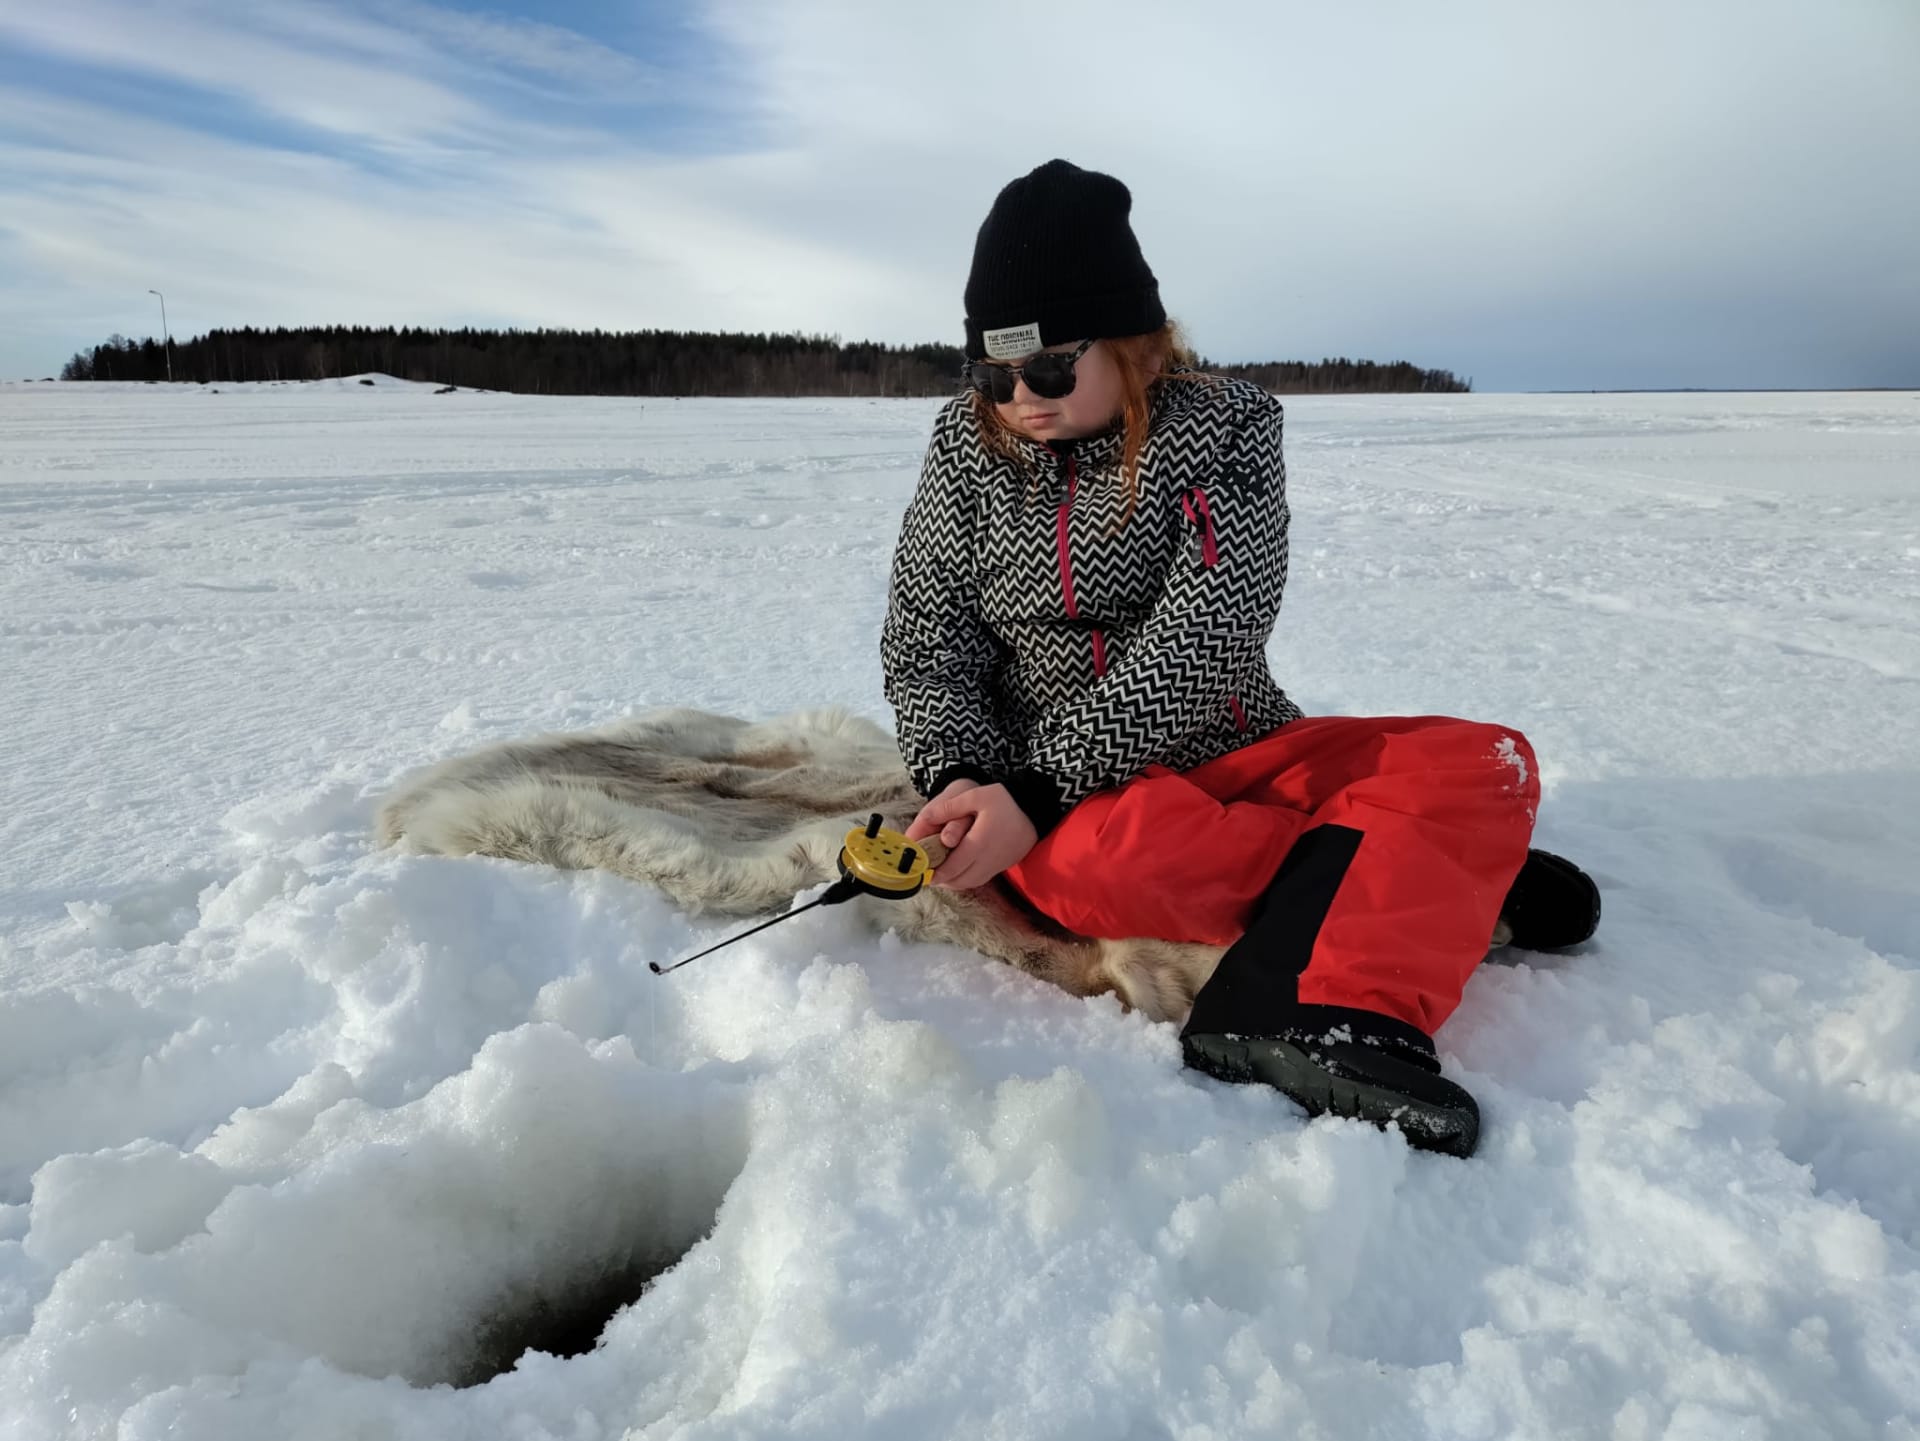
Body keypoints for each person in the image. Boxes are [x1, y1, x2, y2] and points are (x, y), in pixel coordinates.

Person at [881, 159, 1598, 1157]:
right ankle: (1399, 891)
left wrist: (1037, 787)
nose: (1021, 397)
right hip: (1071, 807)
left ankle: (1343, 954)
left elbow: (1210, 631)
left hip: (1221, 745)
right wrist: (968, 778)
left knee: (1485, 760)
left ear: (1132, 343)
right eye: (993, 374)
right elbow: (928, 640)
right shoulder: (964, 451)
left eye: (1049, 367)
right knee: (1113, 859)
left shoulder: (1225, 428)